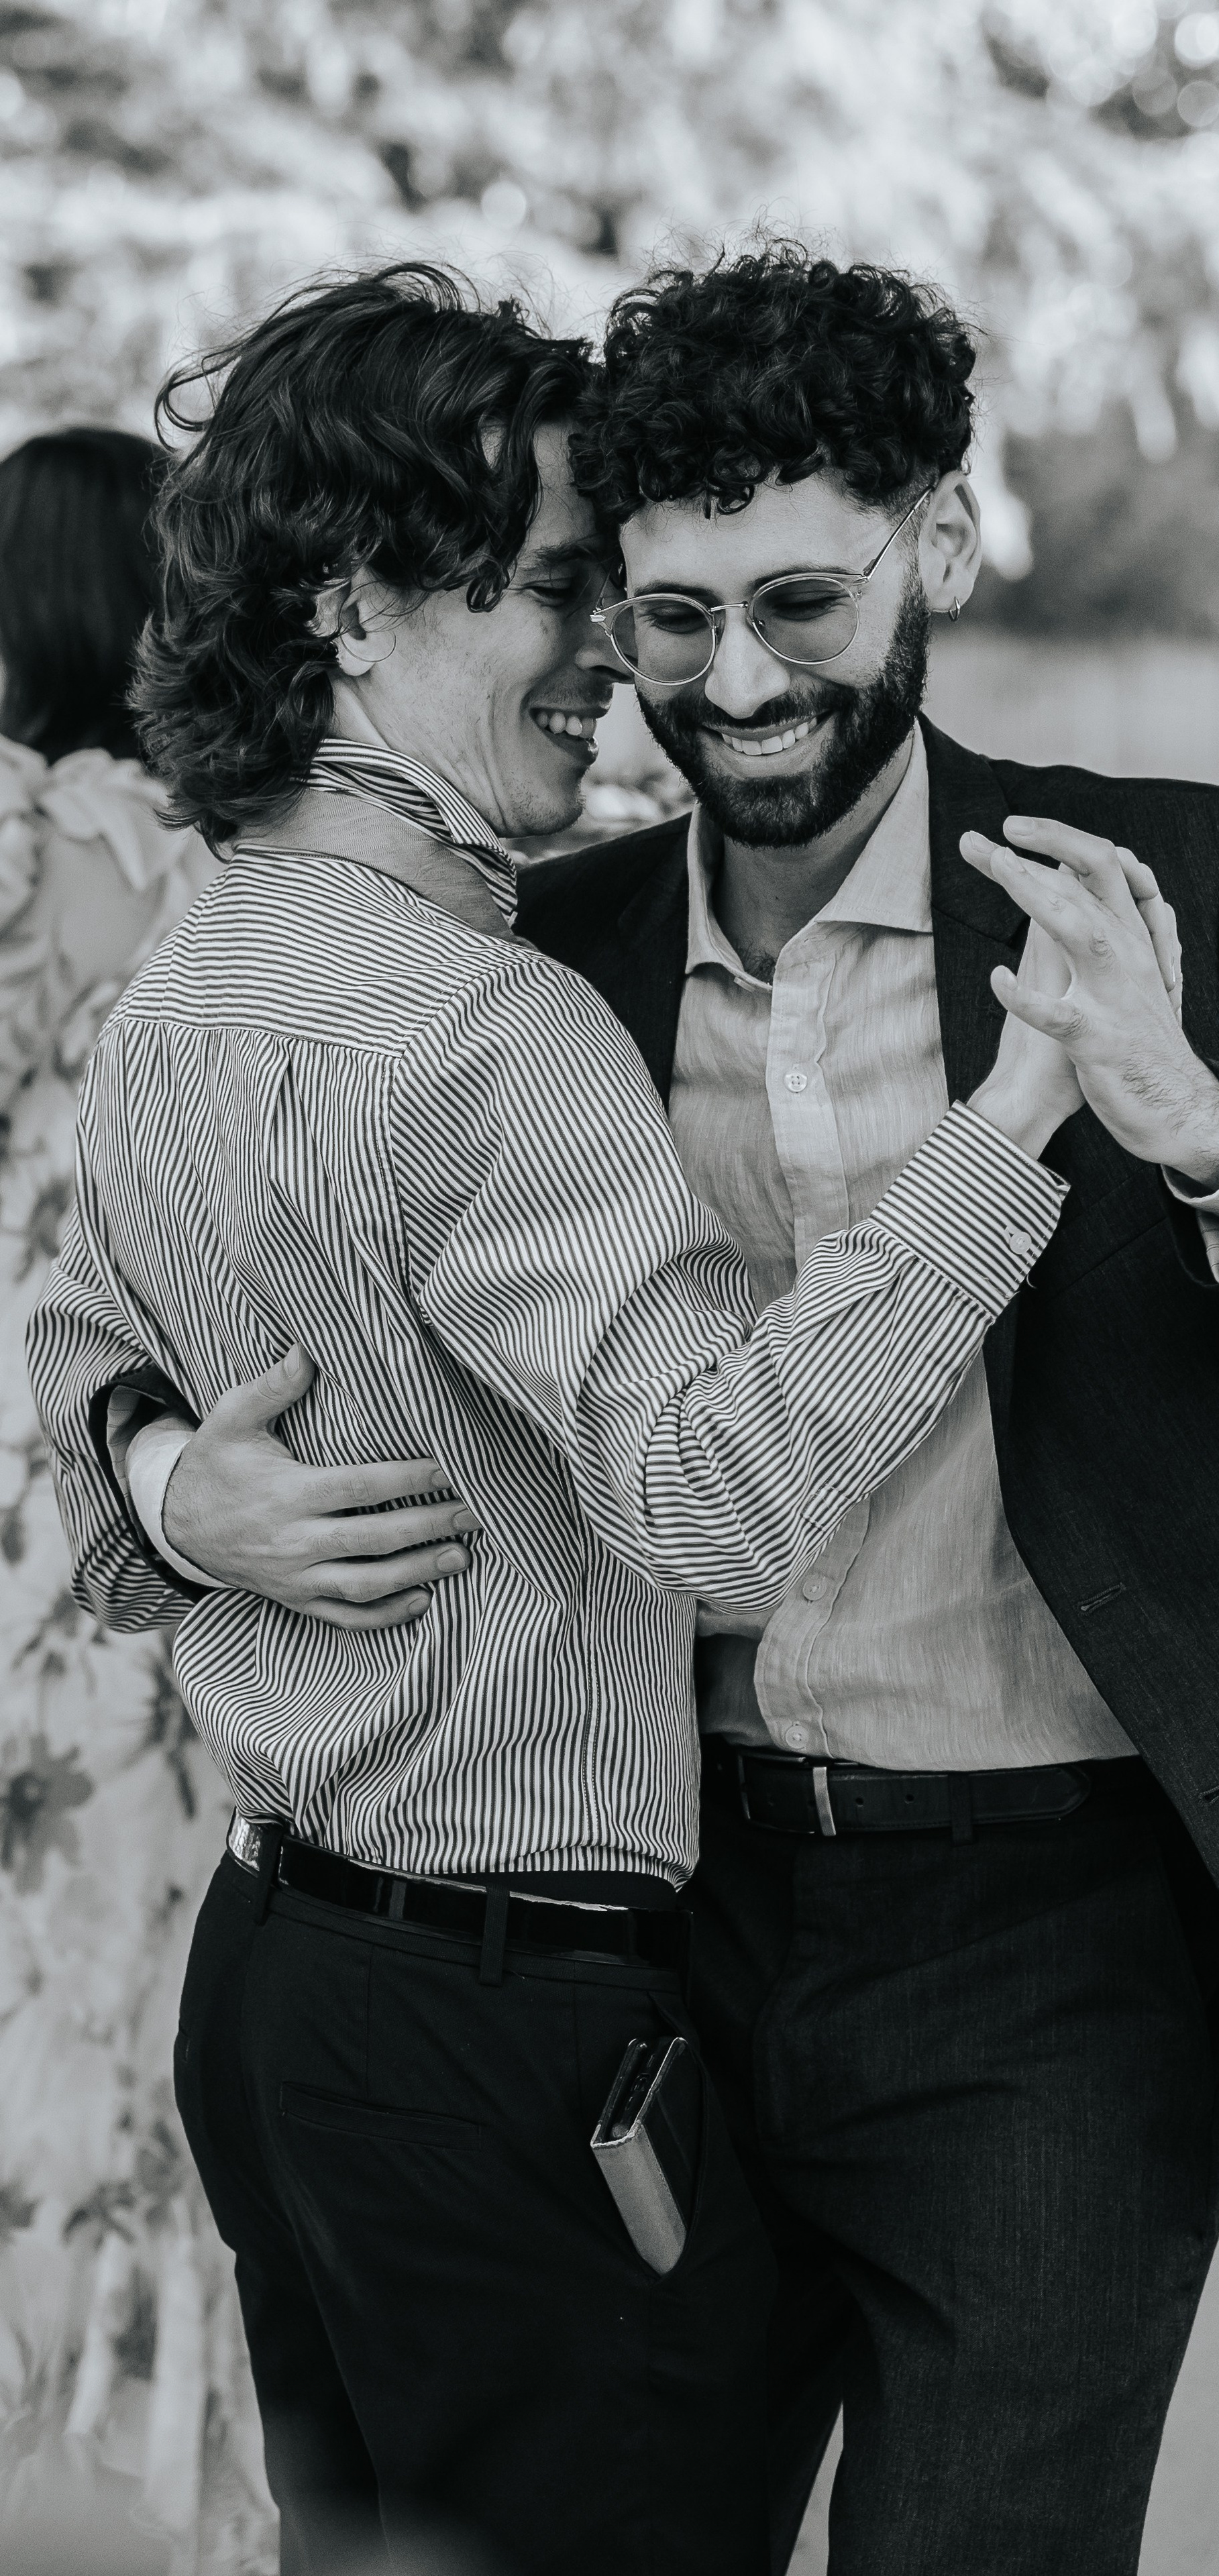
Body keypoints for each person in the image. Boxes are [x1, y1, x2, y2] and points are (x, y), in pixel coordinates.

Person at [99, 253, 1219, 2575]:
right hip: (657, 1947)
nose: (727, 683)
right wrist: (168, 1478)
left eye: (800, 599)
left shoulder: (1191, 882)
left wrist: (1198, 1117)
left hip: (1049, 1962)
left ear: (940, 538)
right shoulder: (537, 943)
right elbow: (205, 1247)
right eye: (663, 614)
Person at [24, 266, 1094, 2576]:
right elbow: (708, 1495)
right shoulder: (493, 1032)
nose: (610, 646)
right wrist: (1017, 1118)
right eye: (542, 590)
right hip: (501, 2047)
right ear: (350, 614)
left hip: (272, 1994)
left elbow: (62, 1348)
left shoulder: (193, 967)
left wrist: (162, 1491)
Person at [0, 428, 274, 2567]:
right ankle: (150, 2463)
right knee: (154, 1965)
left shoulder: (13, 839)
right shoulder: (258, 873)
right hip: (171, 1485)